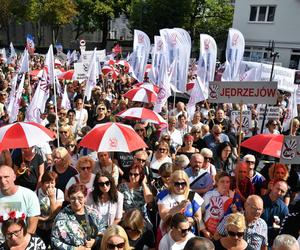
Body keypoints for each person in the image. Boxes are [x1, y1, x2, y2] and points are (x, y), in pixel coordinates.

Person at [51, 183, 105, 250]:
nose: (76, 201)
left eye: (80, 198)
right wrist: (75, 249)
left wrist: (95, 241)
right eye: (73, 198)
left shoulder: (94, 213)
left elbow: (104, 230)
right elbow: (55, 241)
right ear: (69, 199)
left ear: (85, 197)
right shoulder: (61, 218)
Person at [158, 170, 204, 237]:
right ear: (172, 183)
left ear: (187, 183)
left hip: (188, 233)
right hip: (168, 234)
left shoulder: (192, 195)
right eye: (177, 184)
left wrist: (187, 221)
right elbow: (164, 217)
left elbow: (198, 217)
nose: (180, 187)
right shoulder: (164, 195)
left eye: (183, 184)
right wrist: (178, 207)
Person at [0, 165, 40, 236]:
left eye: (6, 177)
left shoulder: (29, 195)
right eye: (0, 178)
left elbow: (32, 228)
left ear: (14, 177)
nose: (3, 181)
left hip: (20, 240)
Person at [202, 172, 243, 238]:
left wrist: (235, 211)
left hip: (225, 236)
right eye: (222, 182)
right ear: (217, 182)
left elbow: (241, 218)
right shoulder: (208, 195)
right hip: (208, 235)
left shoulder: (235, 197)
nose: (225, 184)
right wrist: (204, 231)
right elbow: (199, 214)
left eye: (227, 182)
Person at [36, 171, 64, 247]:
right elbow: (32, 214)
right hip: (39, 227)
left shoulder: (59, 193)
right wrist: (42, 219)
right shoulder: (35, 193)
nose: (50, 185)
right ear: (42, 183)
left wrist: (51, 198)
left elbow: (55, 212)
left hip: (53, 227)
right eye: (47, 182)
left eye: (52, 183)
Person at [261, 180, 289, 246]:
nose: (279, 193)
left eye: (282, 191)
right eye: (278, 189)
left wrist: (277, 227)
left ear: (285, 194)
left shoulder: (284, 208)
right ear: (272, 187)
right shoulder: (260, 201)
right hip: (256, 238)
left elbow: (284, 229)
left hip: (271, 243)